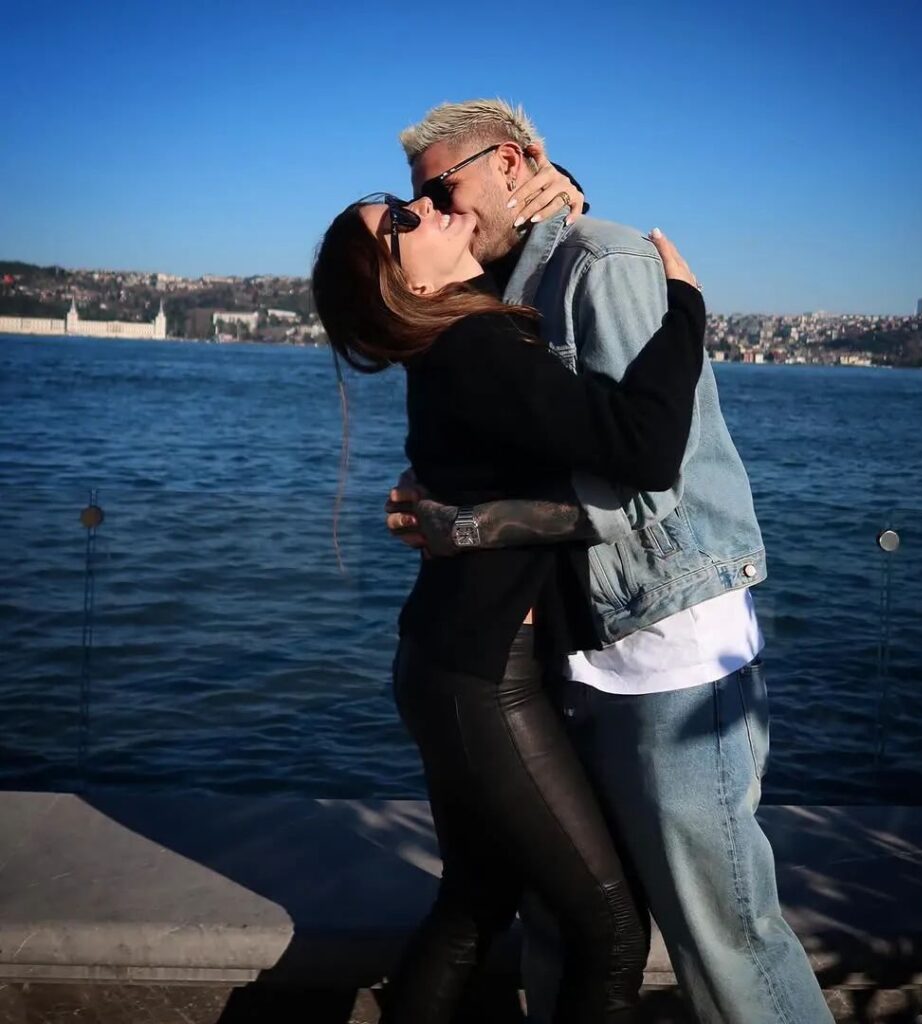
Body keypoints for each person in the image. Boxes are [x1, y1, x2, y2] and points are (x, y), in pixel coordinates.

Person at [385, 99, 835, 1024]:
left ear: (510, 164)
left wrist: (474, 525)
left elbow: (648, 475)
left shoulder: (606, 263)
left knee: (722, 936)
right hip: (574, 648)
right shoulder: (498, 288)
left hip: (669, 643)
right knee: (566, 922)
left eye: (441, 189)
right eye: (415, 201)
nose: (428, 211)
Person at [311, 182, 708, 1024]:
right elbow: (644, 448)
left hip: (445, 661)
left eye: (411, 198)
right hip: (484, 680)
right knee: (610, 932)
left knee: (475, 902)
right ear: (412, 284)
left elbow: (517, 247)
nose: (423, 206)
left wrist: (560, 189)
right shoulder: (476, 347)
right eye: (401, 223)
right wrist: (686, 309)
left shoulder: (458, 342)